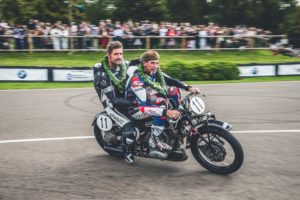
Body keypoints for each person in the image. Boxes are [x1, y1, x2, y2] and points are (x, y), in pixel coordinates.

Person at [125, 50, 200, 161]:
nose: (155, 66)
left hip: (149, 101)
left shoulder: (155, 72)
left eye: (157, 63)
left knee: (173, 90)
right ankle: (155, 139)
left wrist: (188, 87)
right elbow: (146, 103)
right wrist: (167, 112)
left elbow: (172, 81)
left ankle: (176, 124)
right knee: (161, 103)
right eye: (152, 63)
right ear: (144, 63)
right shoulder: (137, 79)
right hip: (135, 108)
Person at [93, 41, 134, 164]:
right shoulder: (100, 70)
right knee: (131, 128)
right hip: (112, 104)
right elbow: (113, 98)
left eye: (121, 53)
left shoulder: (124, 64)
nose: (119, 56)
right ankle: (128, 151)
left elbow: (138, 65)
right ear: (109, 55)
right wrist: (135, 103)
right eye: (116, 54)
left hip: (126, 99)